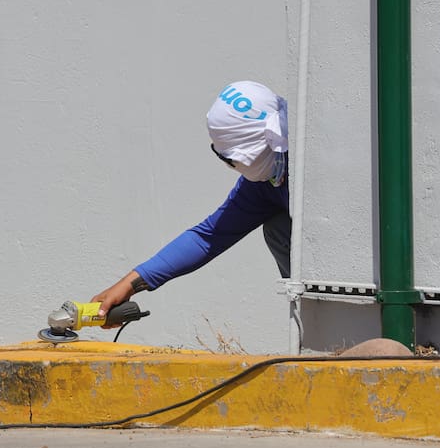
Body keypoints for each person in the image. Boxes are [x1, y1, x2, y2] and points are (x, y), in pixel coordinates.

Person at [91, 81, 292, 323]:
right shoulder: (267, 180)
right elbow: (207, 237)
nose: (229, 167)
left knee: (279, 229)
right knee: (278, 228)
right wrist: (128, 285)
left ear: (265, 143)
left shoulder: (311, 175)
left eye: (231, 159)